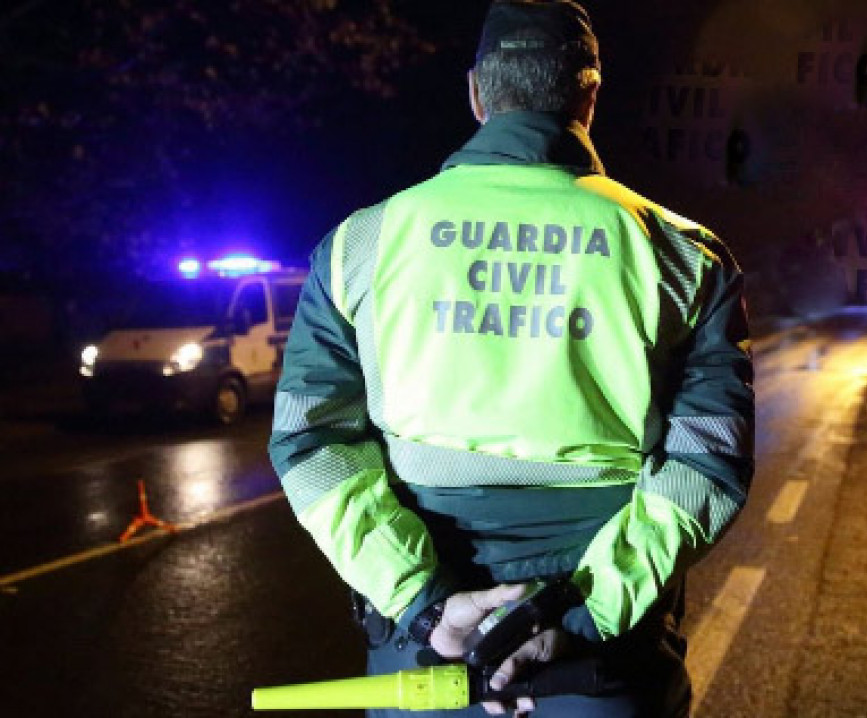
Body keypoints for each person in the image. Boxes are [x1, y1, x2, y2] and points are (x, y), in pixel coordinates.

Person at [269, 1, 754, 716]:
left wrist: (426, 604)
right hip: (595, 663)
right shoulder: (685, 255)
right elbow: (707, 461)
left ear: (476, 93)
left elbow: (310, 443)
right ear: (589, 94)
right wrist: (585, 616)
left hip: (426, 663)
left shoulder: (359, 246)